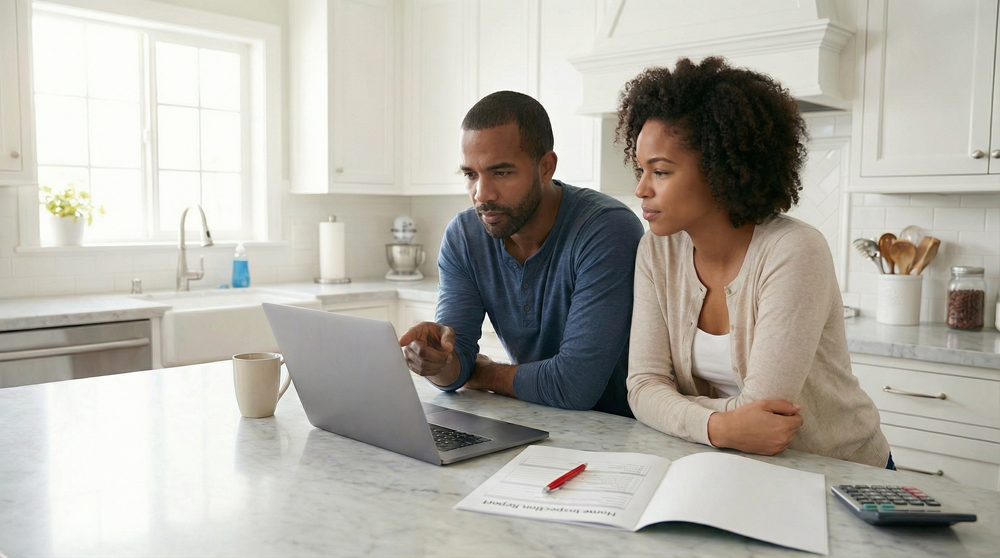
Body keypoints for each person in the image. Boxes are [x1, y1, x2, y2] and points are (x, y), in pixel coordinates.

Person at [618, 57, 892, 467]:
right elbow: (642, 386)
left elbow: (767, 411)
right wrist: (717, 427)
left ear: (719, 169)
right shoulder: (657, 252)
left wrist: (673, 408)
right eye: (641, 170)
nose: (641, 189)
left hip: (839, 470)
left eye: (660, 172)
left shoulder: (793, 250)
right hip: (728, 457)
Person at [399, 91, 644, 417]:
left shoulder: (606, 229)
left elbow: (576, 385)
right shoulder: (464, 236)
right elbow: (455, 369)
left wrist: (482, 373)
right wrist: (435, 361)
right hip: (534, 418)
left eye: (501, 173)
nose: (481, 194)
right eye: (471, 174)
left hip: (621, 436)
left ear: (545, 167)